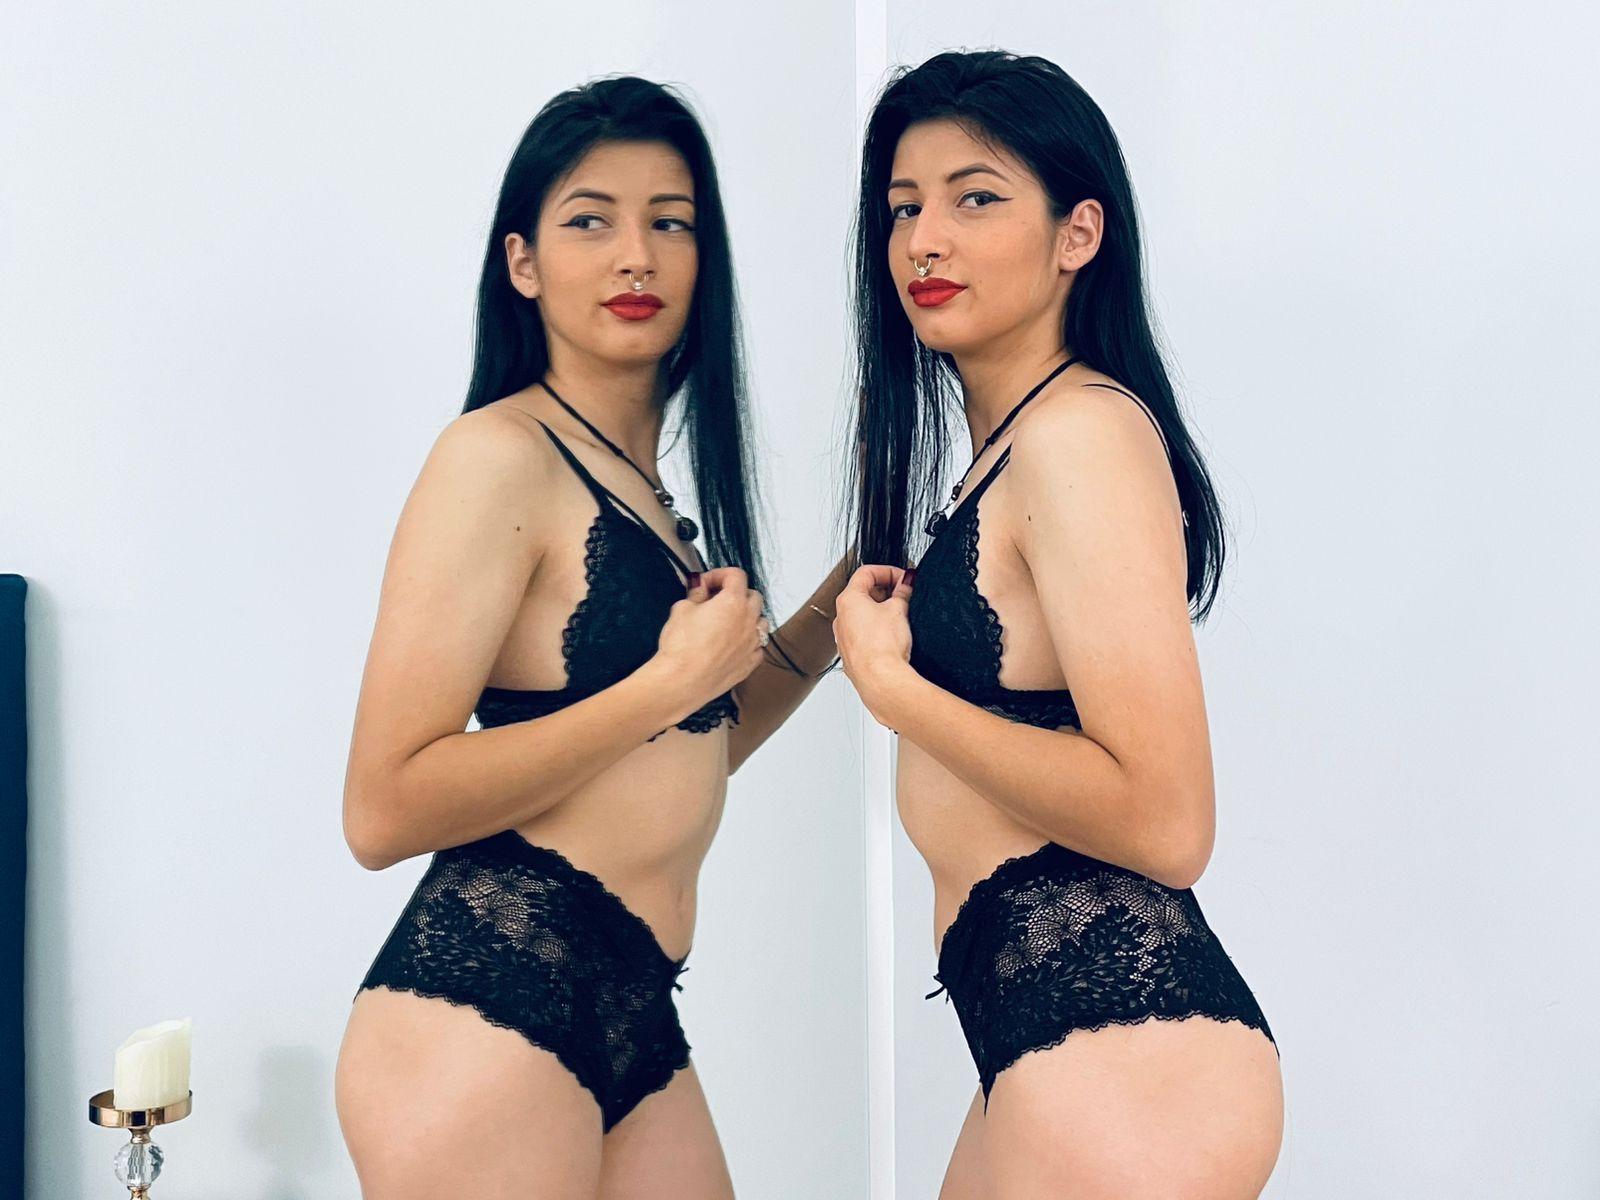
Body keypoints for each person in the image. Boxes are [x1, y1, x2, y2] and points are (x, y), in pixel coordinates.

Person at [333, 76, 848, 1199]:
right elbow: (384, 808)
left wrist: (839, 606)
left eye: (671, 222)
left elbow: (687, 743)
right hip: (489, 1004)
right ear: (522, 263)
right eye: (590, 221)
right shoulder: (495, 457)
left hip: (628, 1005)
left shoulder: (642, 487)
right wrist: (663, 685)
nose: (636, 257)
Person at [832, 50, 1285, 1197]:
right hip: (1055, 1047)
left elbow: (1167, 822)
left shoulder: (1077, 436)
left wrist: (898, 696)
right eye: (903, 207)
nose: (924, 240)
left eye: (975, 198)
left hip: (1127, 1066)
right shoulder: (1005, 456)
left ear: (1078, 233)